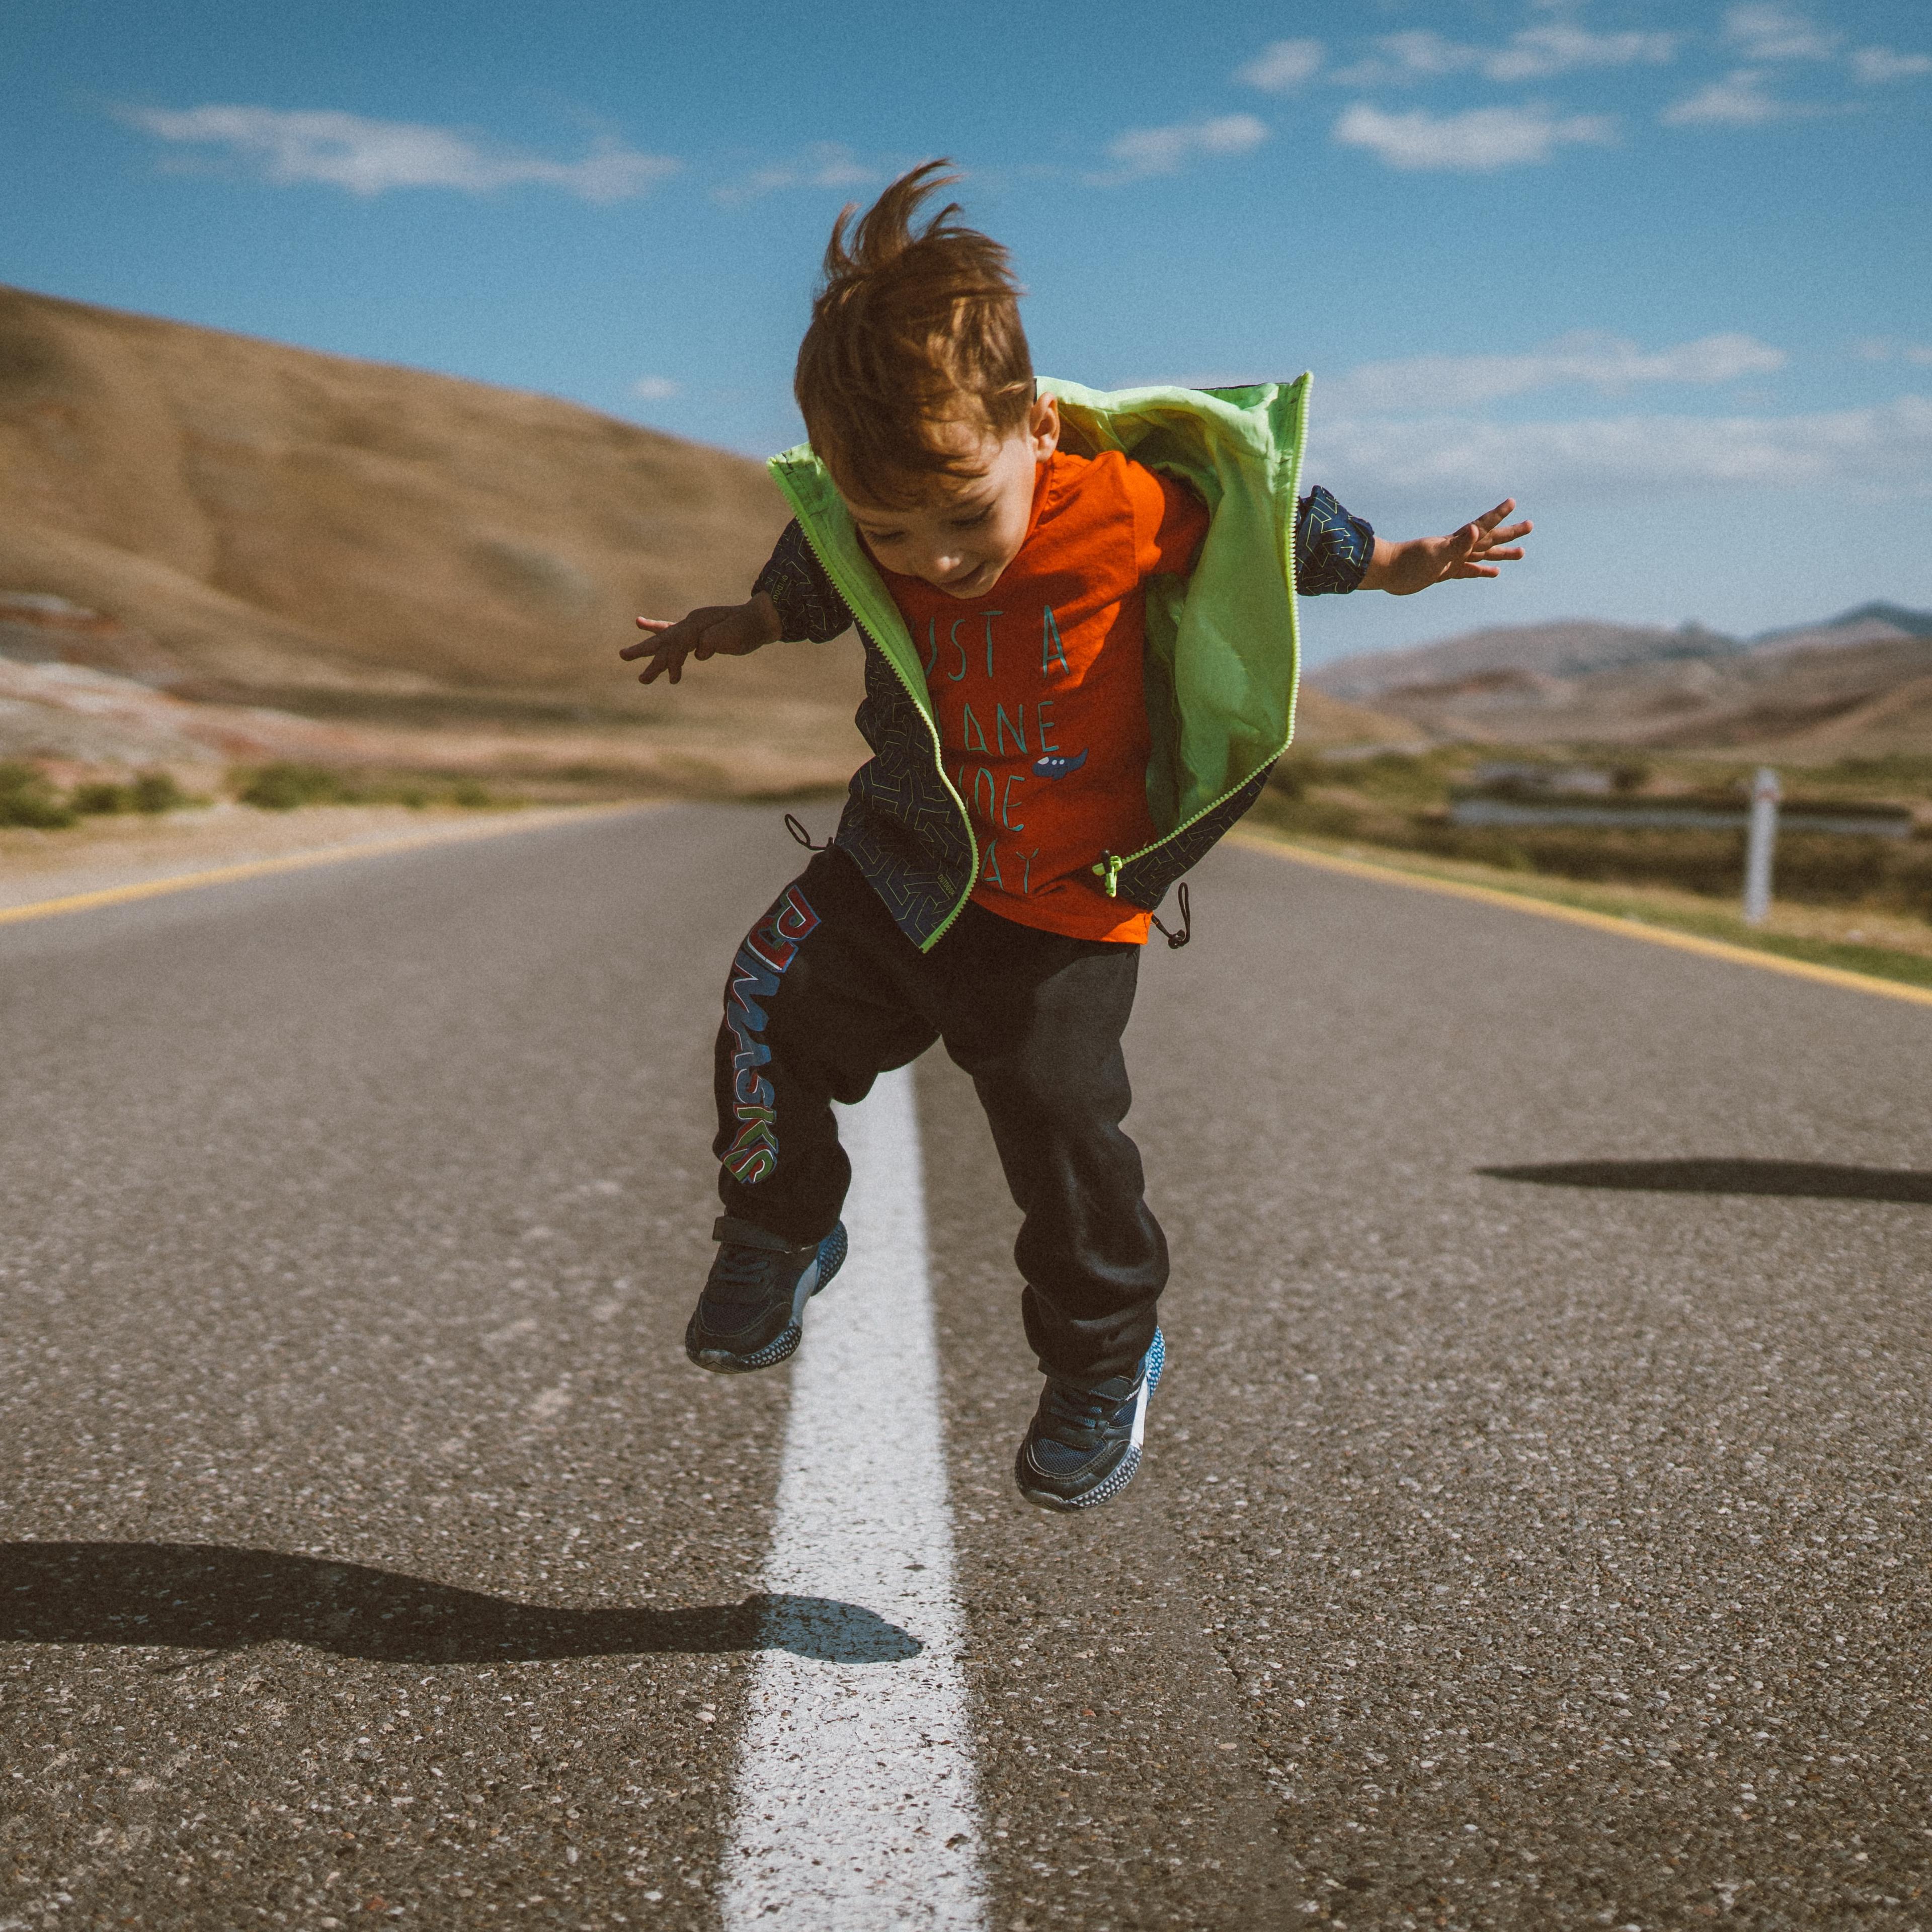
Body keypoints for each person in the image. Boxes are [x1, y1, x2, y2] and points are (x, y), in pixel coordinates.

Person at [620, 162, 1529, 1512]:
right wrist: (739, 622)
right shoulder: (870, 528)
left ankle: (1105, 1359)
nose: (929, 560)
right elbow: (815, 568)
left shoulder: (1127, 501)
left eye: (961, 518)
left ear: (1038, 427)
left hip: (1059, 906)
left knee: (1059, 1140)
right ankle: (775, 1226)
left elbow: (1273, 519)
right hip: (899, 862)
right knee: (764, 1003)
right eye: (892, 530)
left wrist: (1399, 563)